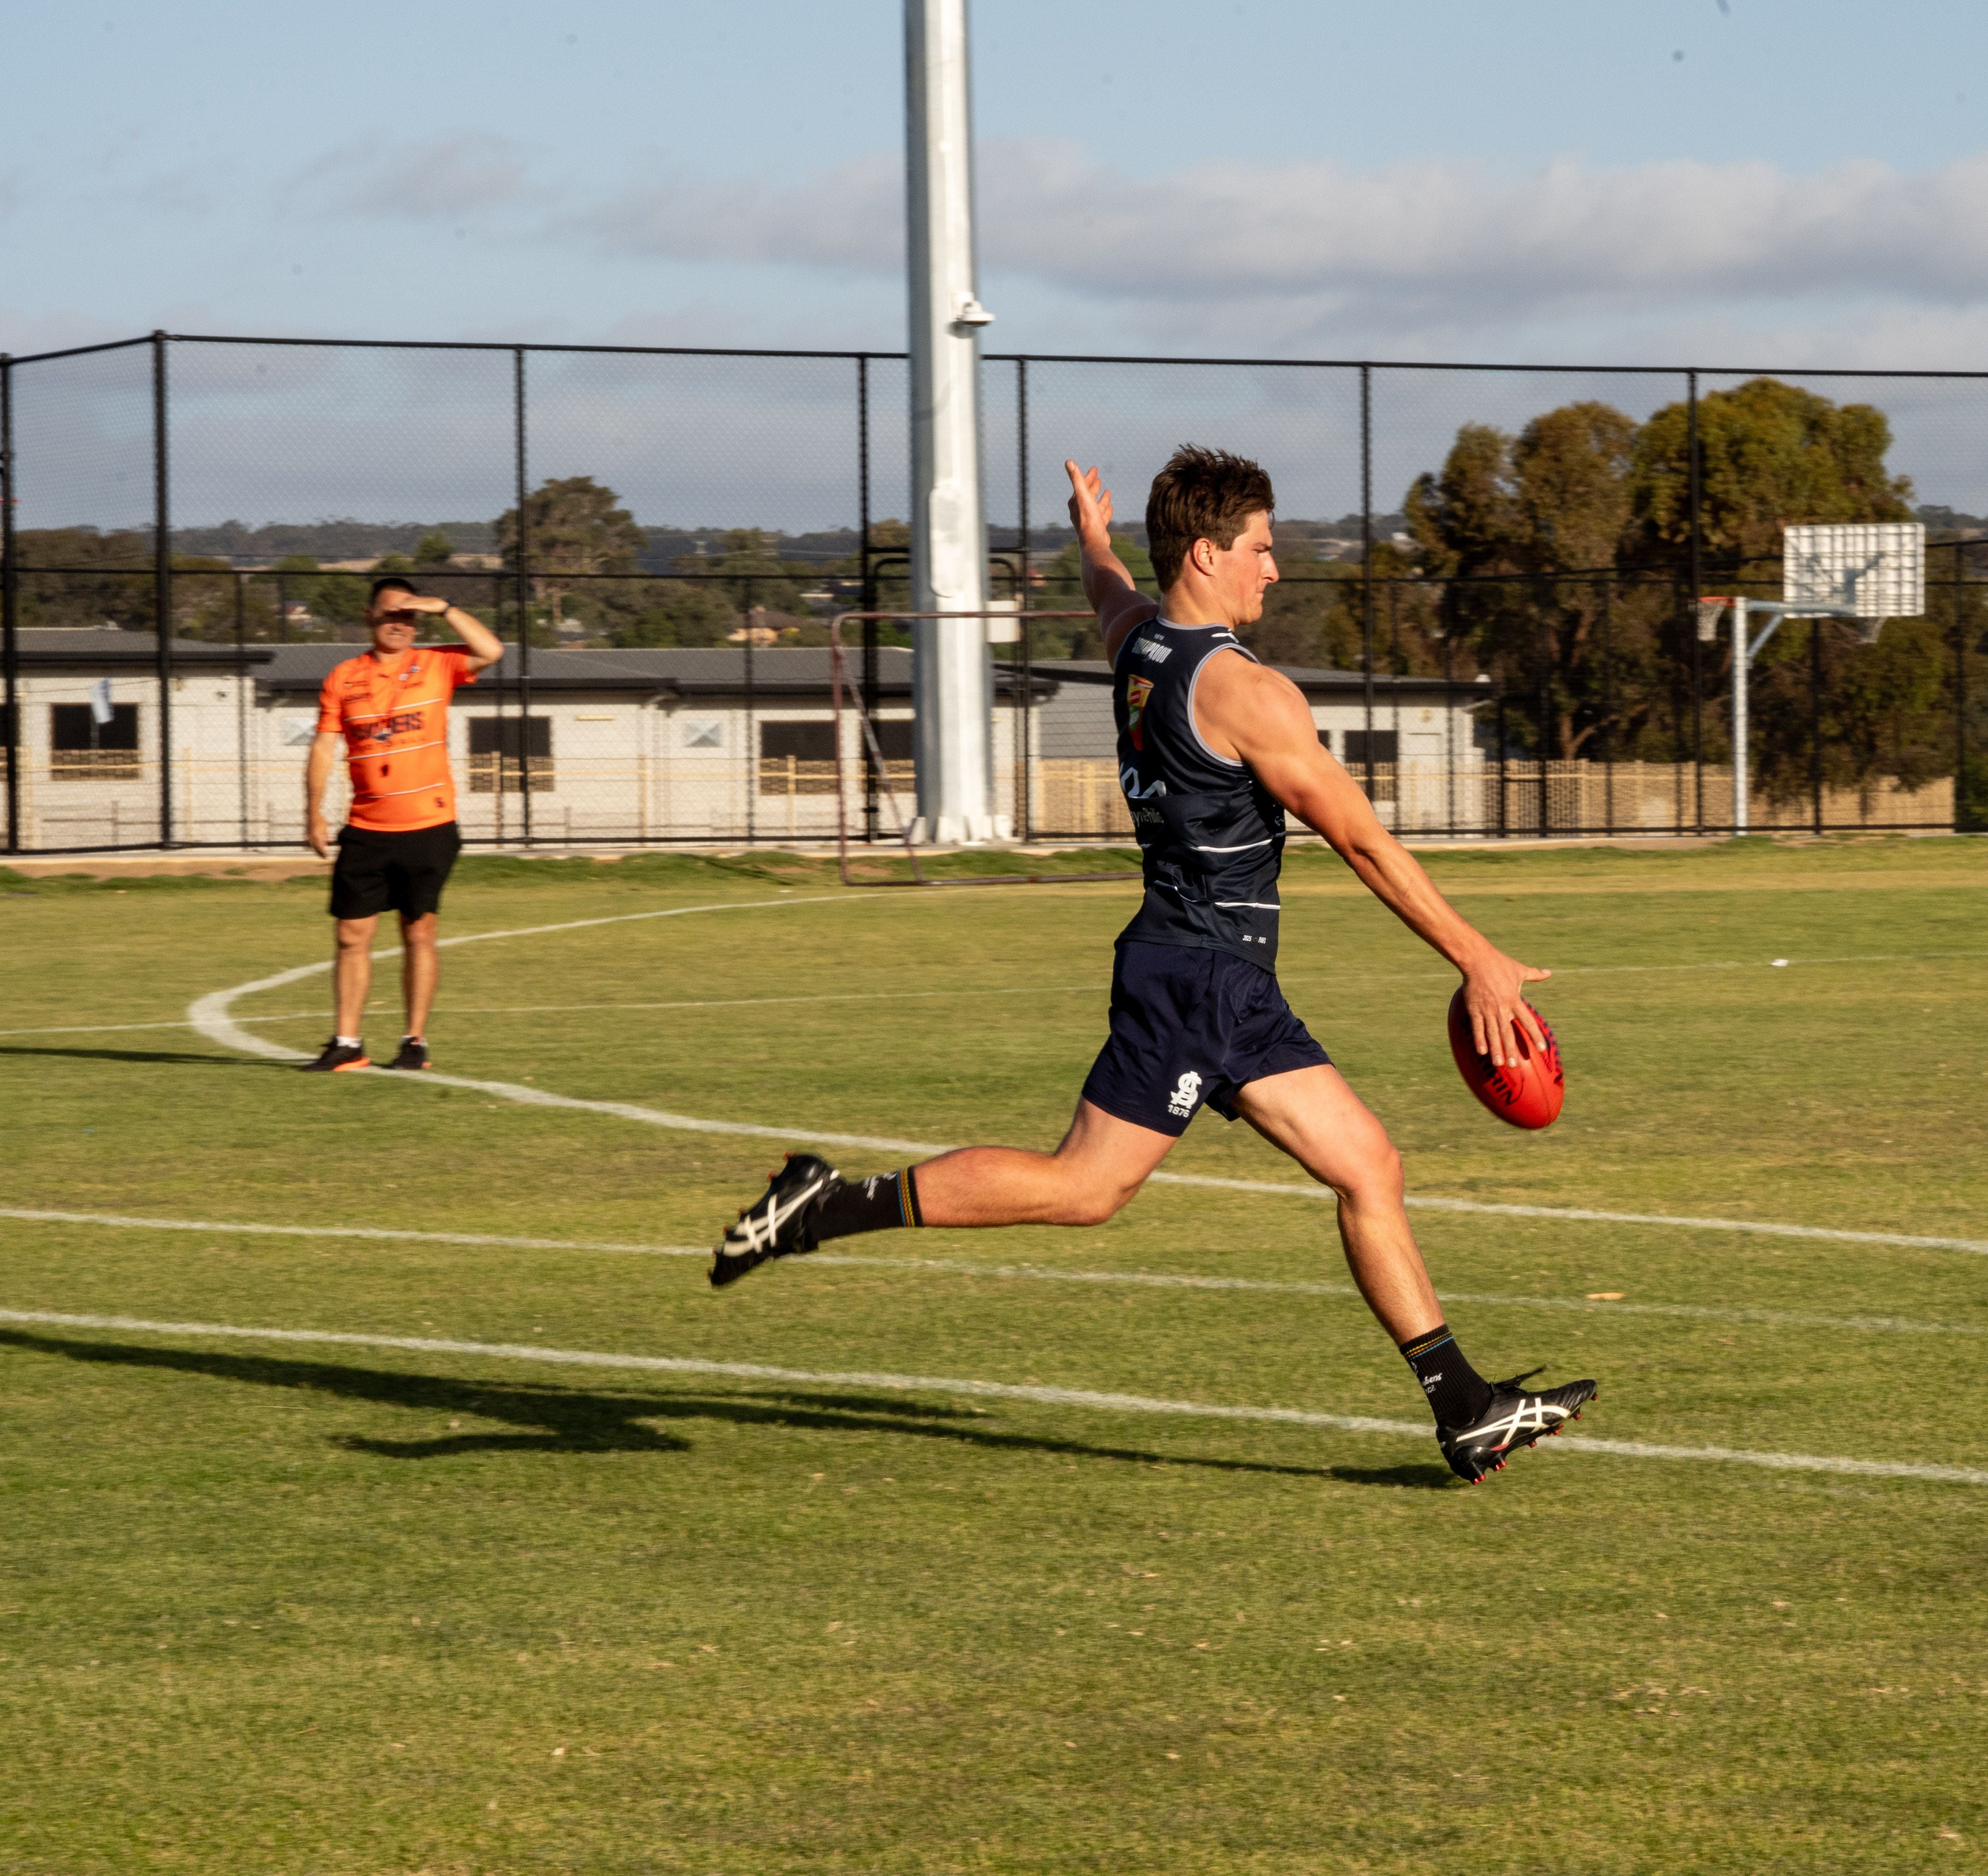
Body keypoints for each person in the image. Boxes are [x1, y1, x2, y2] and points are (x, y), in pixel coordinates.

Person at [713, 446, 1597, 1482]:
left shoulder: (1139, 643)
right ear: (1210, 551)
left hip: (1224, 978)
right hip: (1196, 978)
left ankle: (1465, 1407)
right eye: (1262, 549)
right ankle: (826, 1202)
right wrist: (1477, 955)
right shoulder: (1249, 693)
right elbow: (1361, 839)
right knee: (1085, 1188)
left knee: (1368, 1164)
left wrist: (1092, 531)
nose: (1275, 568)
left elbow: (1107, 584)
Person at [298, 577, 504, 1072]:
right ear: (370, 615)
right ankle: (347, 1043)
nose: (400, 624)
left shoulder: (438, 663)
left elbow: (491, 650)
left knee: (419, 932)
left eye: (409, 617)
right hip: (367, 827)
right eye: (392, 614)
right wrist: (313, 810)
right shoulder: (343, 676)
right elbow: (325, 746)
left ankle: (415, 1043)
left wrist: (447, 606)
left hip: (429, 825)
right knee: (351, 934)